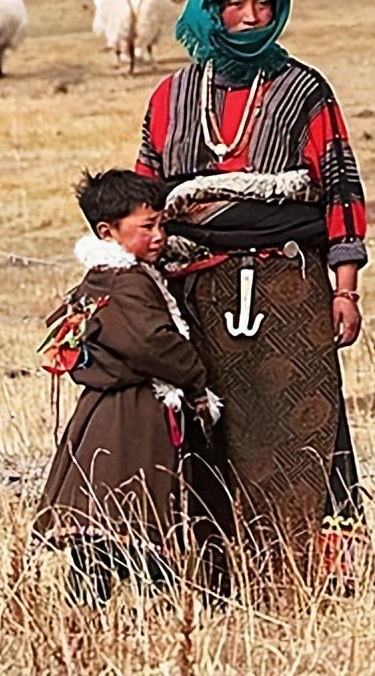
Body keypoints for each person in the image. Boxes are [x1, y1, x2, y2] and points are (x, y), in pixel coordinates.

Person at [134, 0, 367, 585]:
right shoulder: (170, 97)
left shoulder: (304, 90)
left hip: (288, 288)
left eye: (262, 4)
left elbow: (340, 187)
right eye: (235, 4)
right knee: (209, 429)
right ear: (210, 9)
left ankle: (310, 573)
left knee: (299, 426)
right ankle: (213, 575)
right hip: (195, 291)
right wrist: (131, 279)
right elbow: (145, 195)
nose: (250, 16)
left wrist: (344, 288)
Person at [32, 169, 226, 605]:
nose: (159, 235)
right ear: (108, 232)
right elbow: (153, 344)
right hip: (130, 423)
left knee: (99, 538)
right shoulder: (127, 281)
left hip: (104, 419)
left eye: (161, 224)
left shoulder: (105, 279)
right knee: (128, 529)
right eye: (147, 227)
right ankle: (171, 615)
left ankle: (89, 625)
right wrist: (196, 374)